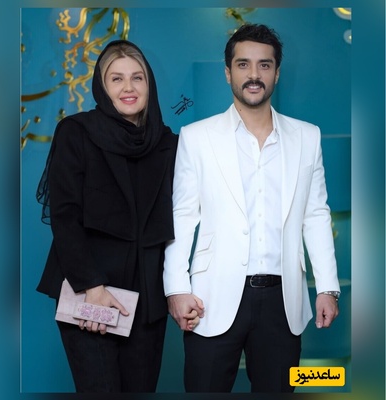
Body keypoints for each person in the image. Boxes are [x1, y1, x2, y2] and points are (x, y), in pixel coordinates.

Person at [163, 23, 341, 393]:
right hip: (210, 298)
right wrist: (176, 288)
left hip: (283, 300)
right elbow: (181, 216)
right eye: (243, 64)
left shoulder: (307, 136)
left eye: (264, 65)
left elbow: (316, 214)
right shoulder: (196, 137)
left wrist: (327, 287)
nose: (254, 75)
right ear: (228, 73)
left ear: (277, 73)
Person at [36, 40, 195, 393]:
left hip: (147, 300)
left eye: (137, 77)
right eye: (116, 78)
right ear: (102, 86)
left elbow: (184, 217)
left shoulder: (168, 144)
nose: (128, 87)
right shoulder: (76, 132)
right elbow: (64, 216)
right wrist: (92, 289)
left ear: (149, 85)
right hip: (89, 289)